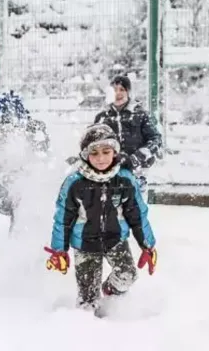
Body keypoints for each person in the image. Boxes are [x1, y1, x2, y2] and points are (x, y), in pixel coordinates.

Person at [44, 123, 158, 314]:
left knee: (127, 275)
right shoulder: (75, 183)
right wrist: (59, 250)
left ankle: (111, 297)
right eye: (94, 153)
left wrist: (148, 244)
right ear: (85, 155)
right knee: (88, 300)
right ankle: (88, 329)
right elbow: (63, 219)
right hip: (85, 244)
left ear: (115, 152)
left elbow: (138, 215)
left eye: (106, 151)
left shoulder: (125, 180)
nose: (101, 158)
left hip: (116, 240)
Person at [0, 90, 49, 230]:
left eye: (13, 124)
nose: (7, 128)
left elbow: (42, 160)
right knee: (18, 201)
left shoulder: (33, 132)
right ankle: (17, 238)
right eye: (1, 123)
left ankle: (22, 238)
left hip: (26, 187)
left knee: (23, 201)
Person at [92, 75, 162, 200]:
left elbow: (155, 139)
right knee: (111, 210)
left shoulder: (140, 114)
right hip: (111, 171)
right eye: (114, 89)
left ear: (128, 92)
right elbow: (92, 142)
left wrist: (138, 157)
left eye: (122, 89)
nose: (118, 93)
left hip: (137, 171)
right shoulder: (102, 117)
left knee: (134, 208)